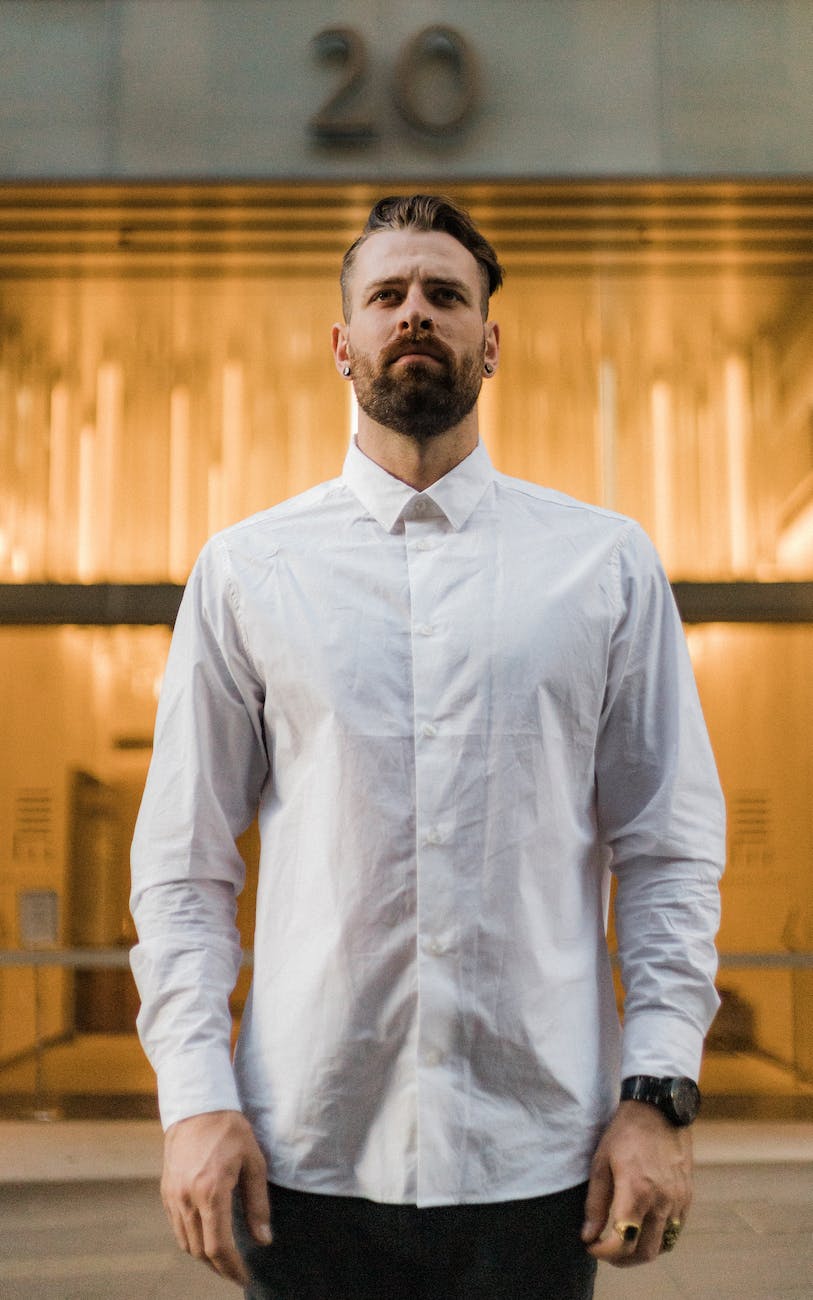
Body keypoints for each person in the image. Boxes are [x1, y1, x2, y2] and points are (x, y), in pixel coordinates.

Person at [130, 194, 725, 1299]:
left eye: (447, 296)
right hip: (305, 1158)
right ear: (341, 342)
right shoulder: (247, 570)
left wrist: (657, 1095)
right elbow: (183, 865)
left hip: (539, 1163)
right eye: (388, 295)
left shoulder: (605, 566)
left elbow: (669, 849)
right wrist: (197, 1100)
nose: (417, 314)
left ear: (489, 342)